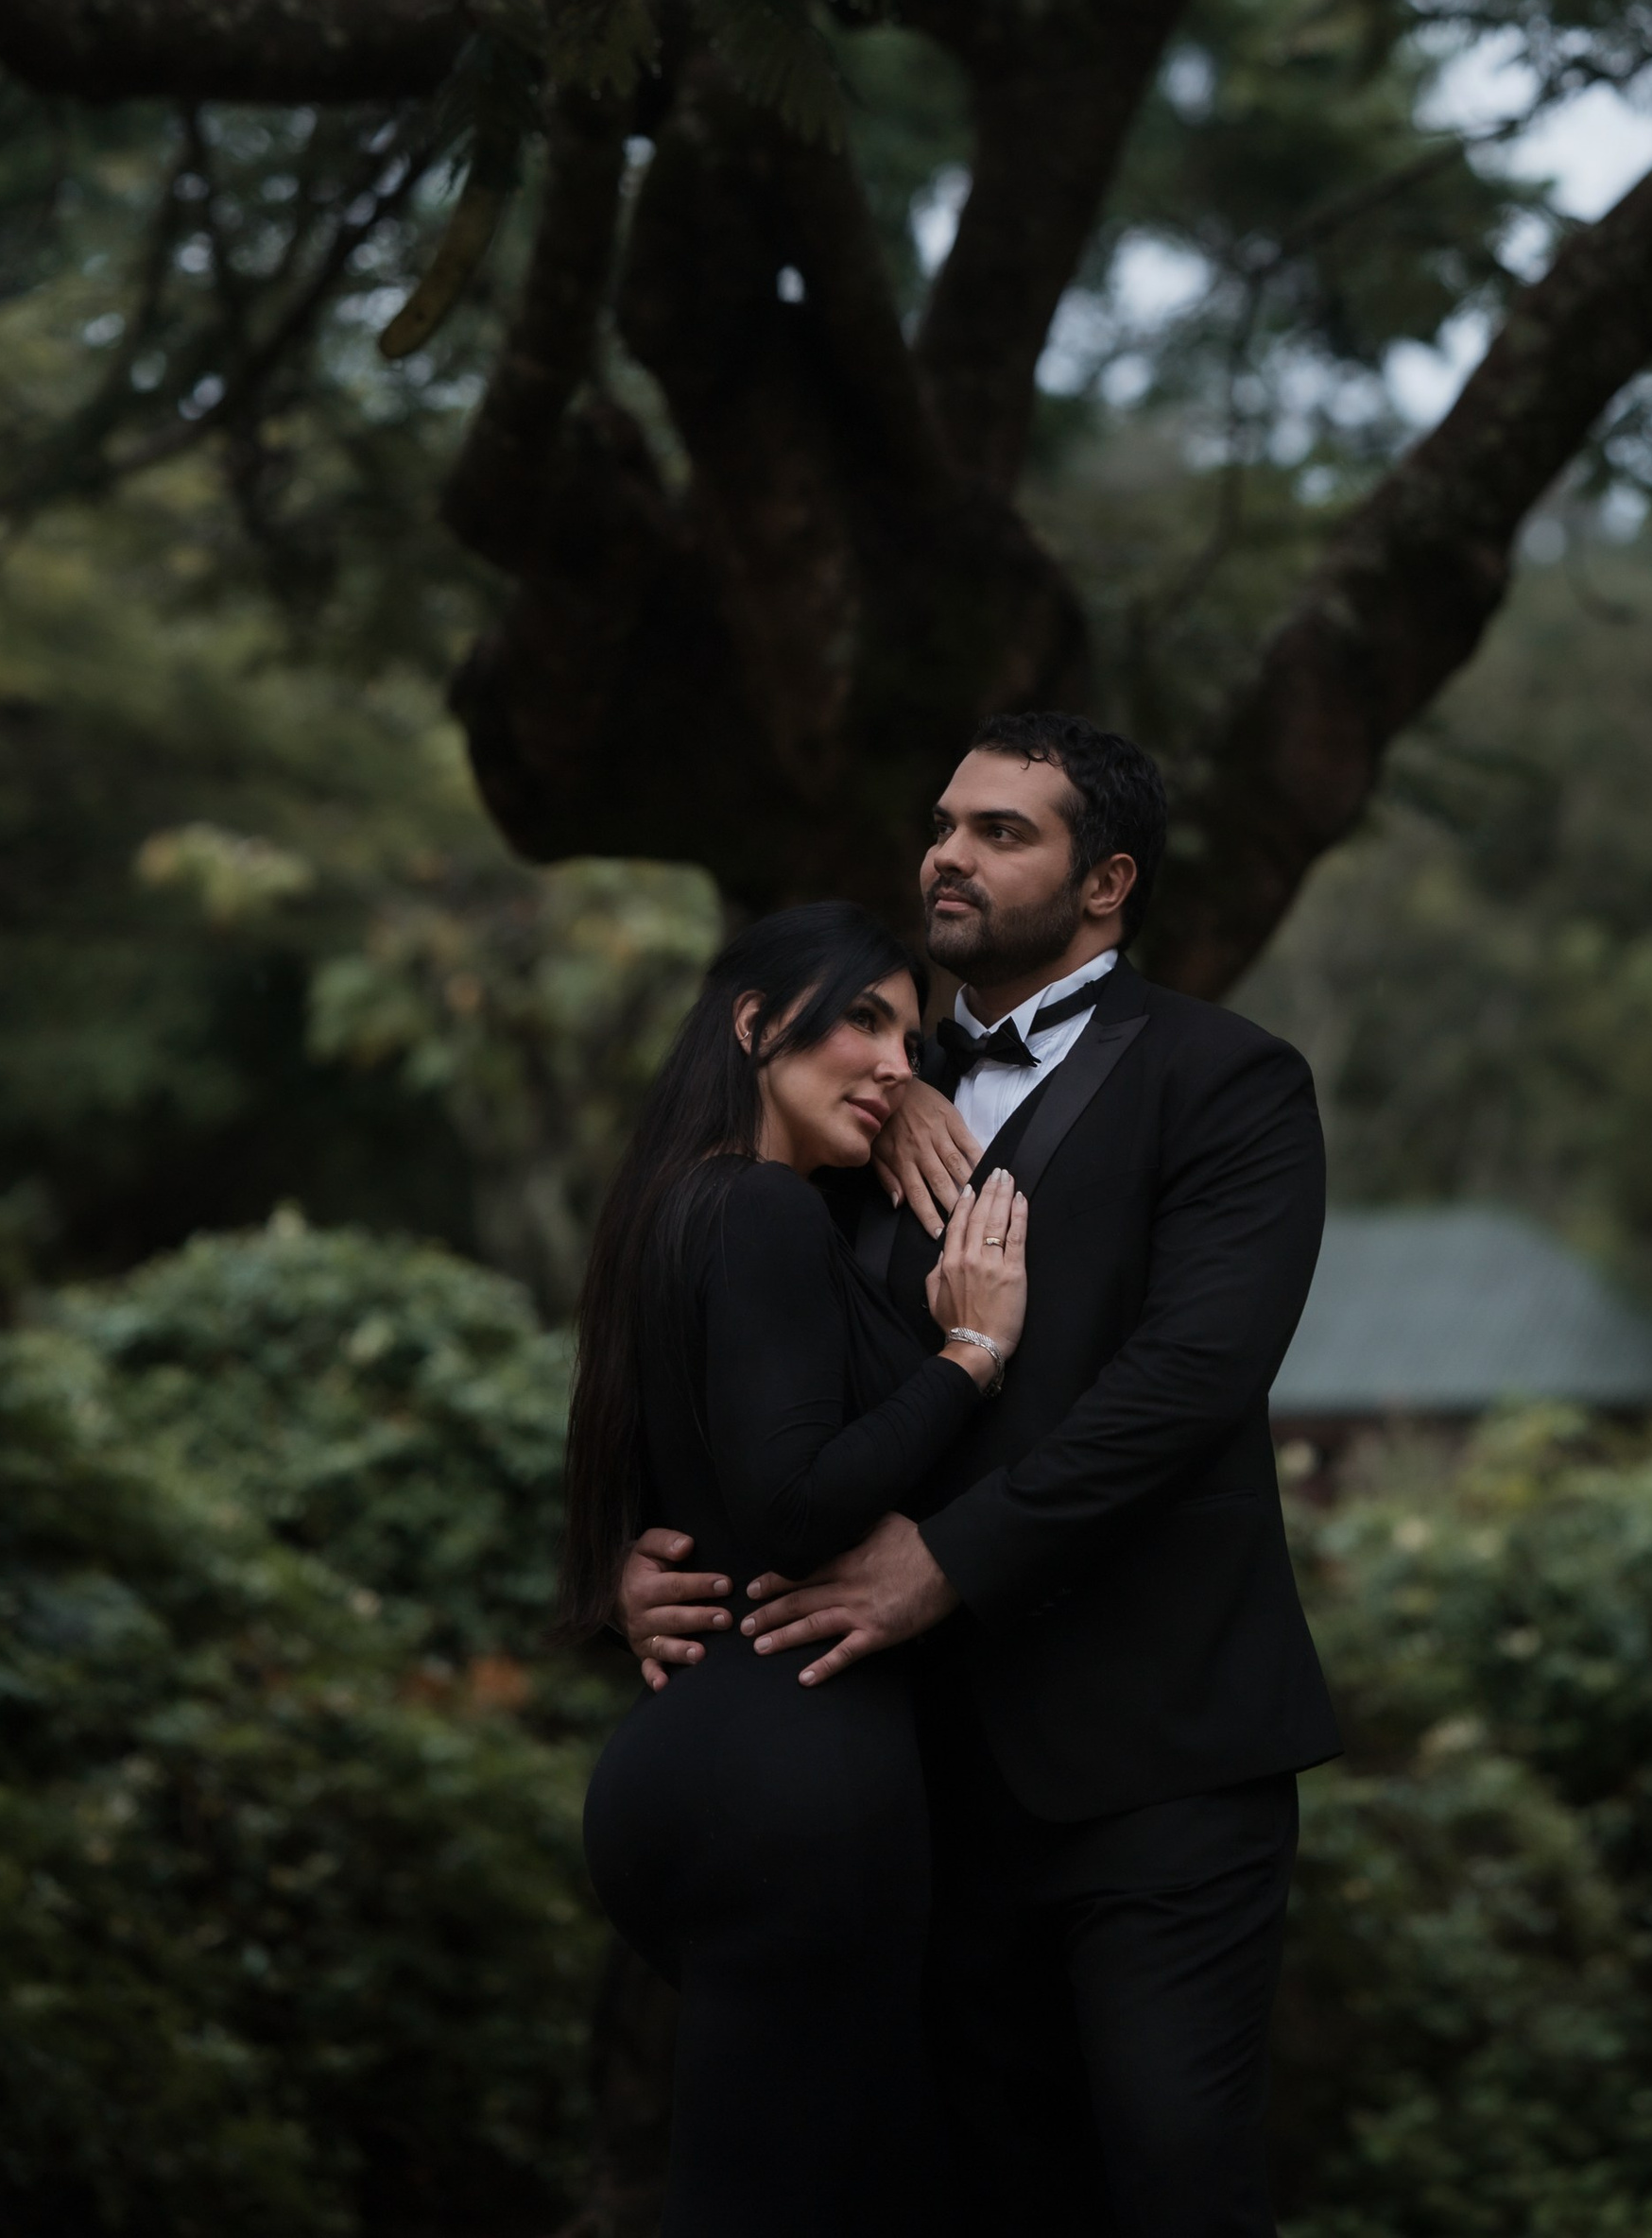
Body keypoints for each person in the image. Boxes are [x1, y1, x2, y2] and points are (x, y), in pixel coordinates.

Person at [618, 714, 1340, 2238]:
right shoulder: (853, 1091)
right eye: (942, 822)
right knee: (969, 2188)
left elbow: (1190, 1386)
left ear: (1106, 882)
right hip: (902, 1773)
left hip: (1159, 1752)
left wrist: (948, 1555)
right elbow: (725, 1351)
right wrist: (646, 1550)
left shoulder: (1232, 1082)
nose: (948, 850)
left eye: (1002, 829)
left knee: (1171, 2171)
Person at [562, 899, 1030, 2238]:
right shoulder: (764, 1211)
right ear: (757, 1025)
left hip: (695, 1759)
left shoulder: (673, 1203)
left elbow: (677, 1487)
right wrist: (969, 1357)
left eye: (913, 1028)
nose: (897, 1059)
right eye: (863, 1020)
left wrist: (919, 1091)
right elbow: (790, 1497)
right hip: (792, 1786)